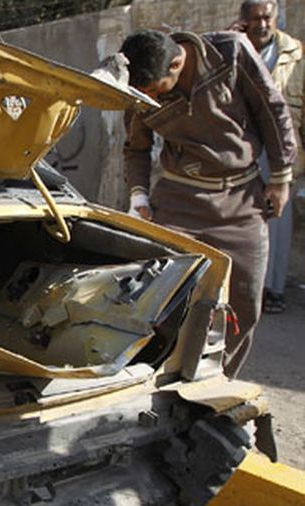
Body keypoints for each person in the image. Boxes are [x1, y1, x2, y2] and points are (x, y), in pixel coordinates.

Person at [120, 28, 296, 378]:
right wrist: (138, 195)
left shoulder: (230, 53)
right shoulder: (141, 86)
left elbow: (272, 110)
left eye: (156, 91)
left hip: (241, 200)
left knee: (245, 305)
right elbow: (135, 147)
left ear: (176, 63)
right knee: (160, 299)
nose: (150, 99)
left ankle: (217, 385)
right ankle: (156, 383)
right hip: (178, 200)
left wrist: (280, 177)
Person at [237, 0, 303, 314]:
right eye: (255, 19)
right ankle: (244, 287)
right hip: (241, 149)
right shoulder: (231, 47)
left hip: (281, 149)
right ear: (244, 21)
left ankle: (273, 289)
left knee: (277, 219)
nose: (262, 24)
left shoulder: (296, 54)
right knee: (239, 219)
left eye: (267, 18)